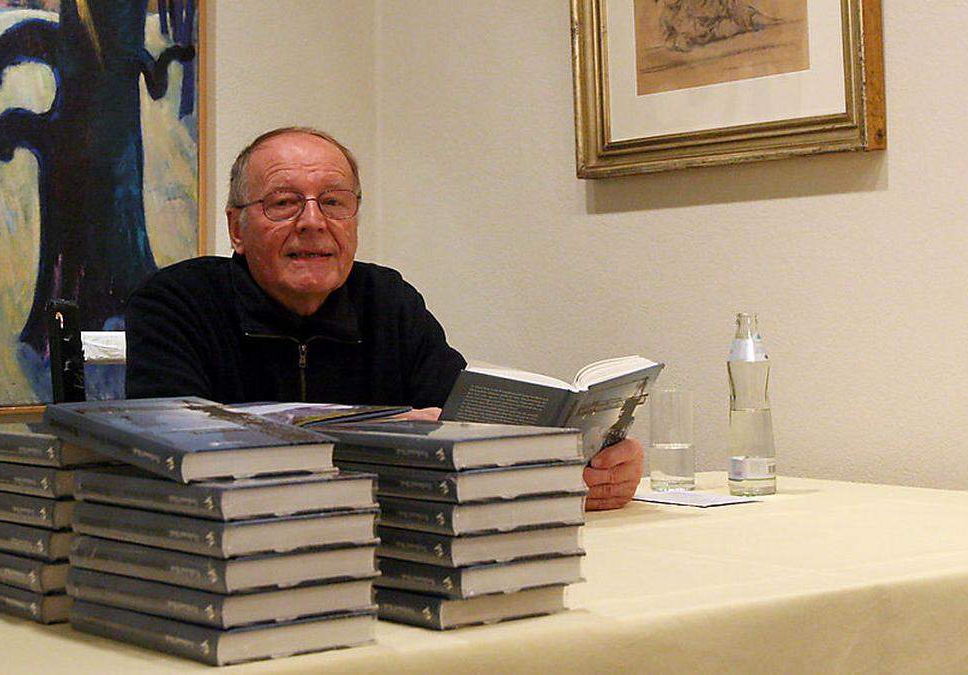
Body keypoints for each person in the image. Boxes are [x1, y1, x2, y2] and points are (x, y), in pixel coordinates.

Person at [124, 126, 642, 510]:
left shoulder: (387, 299)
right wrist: (378, 433)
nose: (312, 222)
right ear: (237, 228)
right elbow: (173, 456)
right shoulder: (176, 301)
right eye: (284, 203)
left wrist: (590, 463)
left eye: (334, 202)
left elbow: (464, 424)